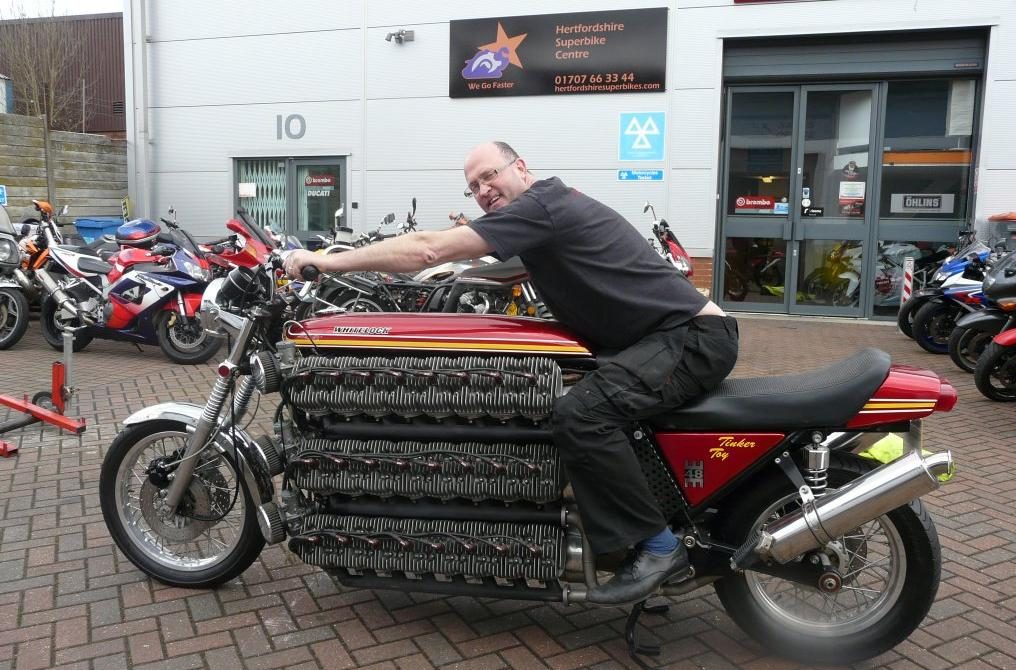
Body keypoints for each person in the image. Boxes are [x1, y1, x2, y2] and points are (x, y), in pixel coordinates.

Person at [284, 141, 739, 605]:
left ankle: (659, 549)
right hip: (658, 340)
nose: (483, 190)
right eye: (473, 187)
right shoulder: (545, 215)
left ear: (520, 168)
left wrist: (328, 261)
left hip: (689, 337)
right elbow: (482, 271)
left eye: (490, 176)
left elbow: (427, 250)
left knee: (581, 415)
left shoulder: (542, 205)